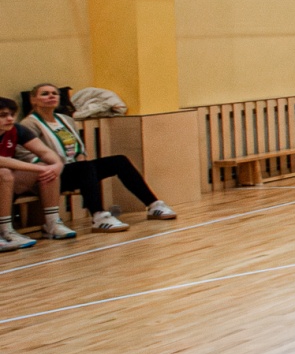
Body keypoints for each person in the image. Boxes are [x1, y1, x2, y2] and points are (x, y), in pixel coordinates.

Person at [15, 83, 176, 234]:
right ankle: (99, 216)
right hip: (50, 174)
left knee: (119, 161)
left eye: (54, 93)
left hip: (76, 168)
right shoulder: (29, 124)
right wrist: (49, 166)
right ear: (33, 99)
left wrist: (79, 157)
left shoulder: (65, 119)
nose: (51, 96)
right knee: (84, 168)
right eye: (45, 94)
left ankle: (153, 205)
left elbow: (77, 147)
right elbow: (24, 153)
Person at [0, 96, 55, 249]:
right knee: (4, 173)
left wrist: (56, 164)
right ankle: (4, 230)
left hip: (5, 185)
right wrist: (39, 168)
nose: (10, 119)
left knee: (49, 169)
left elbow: (45, 152)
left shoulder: (17, 129)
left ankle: (53, 223)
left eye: (12, 114)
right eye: (3, 115)